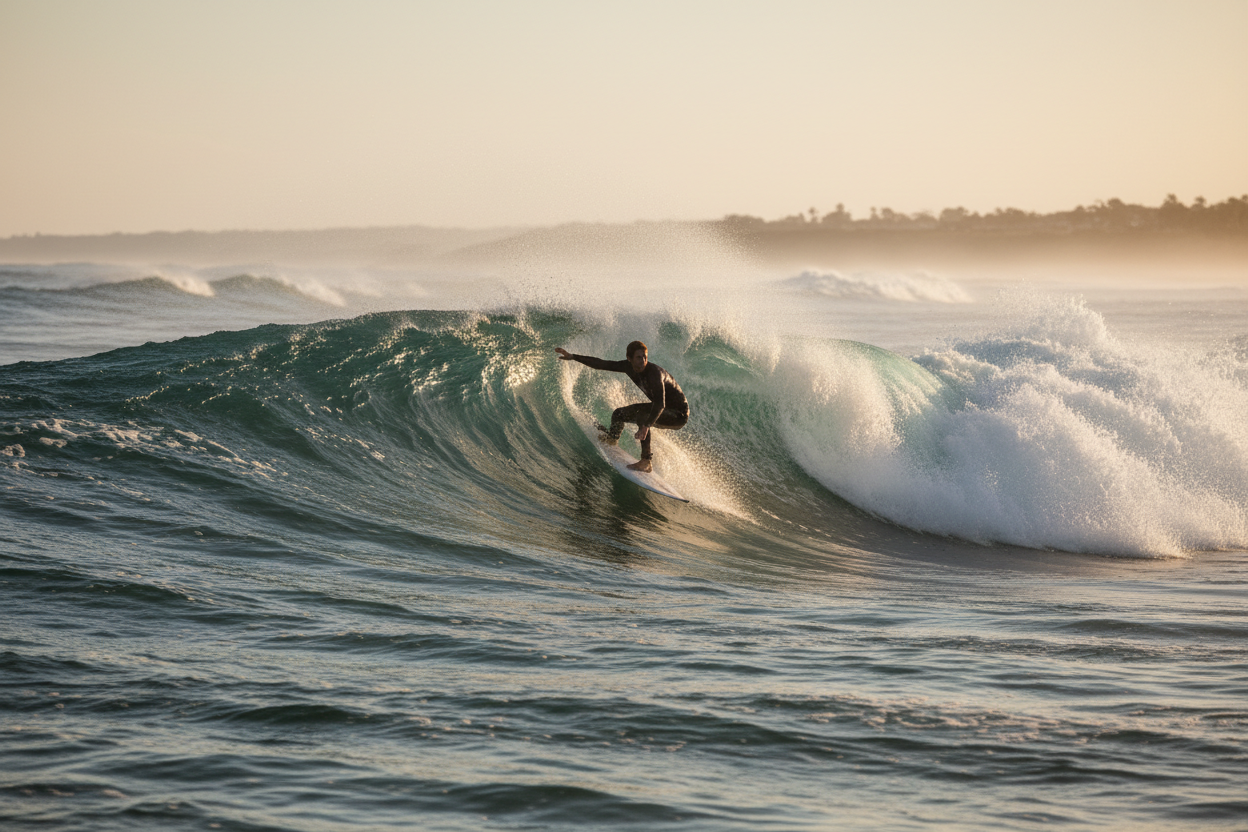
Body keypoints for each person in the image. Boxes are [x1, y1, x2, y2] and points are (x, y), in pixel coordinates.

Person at [555, 340, 689, 473]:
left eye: (645, 357)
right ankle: (612, 438)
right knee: (619, 414)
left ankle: (646, 461)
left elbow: (660, 404)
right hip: (661, 408)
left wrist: (646, 426)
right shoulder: (627, 366)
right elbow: (602, 364)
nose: (642, 360)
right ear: (629, 358)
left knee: (643, 417)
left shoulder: (655, 373)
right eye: (638, 357)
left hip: (678, 415)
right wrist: (573, 357)